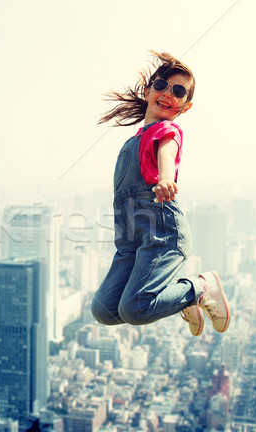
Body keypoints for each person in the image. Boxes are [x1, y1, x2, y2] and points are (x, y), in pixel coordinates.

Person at [90, 51, 230, 336]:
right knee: (104, 310)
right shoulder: (134, 140)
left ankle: (200, 288)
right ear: (148, 90)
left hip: (163, 235)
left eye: (178, 92)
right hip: (131, 243)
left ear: (185, 106)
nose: (168, 94)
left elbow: (167, 151)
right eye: (162, 85)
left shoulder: (166, 131)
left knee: (135, 309)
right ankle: (177, 298)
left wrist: (166, 178)